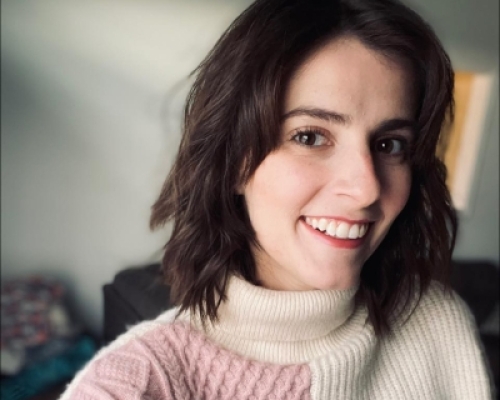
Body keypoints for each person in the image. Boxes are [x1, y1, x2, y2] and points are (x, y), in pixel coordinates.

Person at [60, 0, 494, 398]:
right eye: (310, 137)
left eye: (390, 145)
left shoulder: (439, 322)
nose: (366, 189)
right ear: (233, 162)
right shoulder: (138, 380)